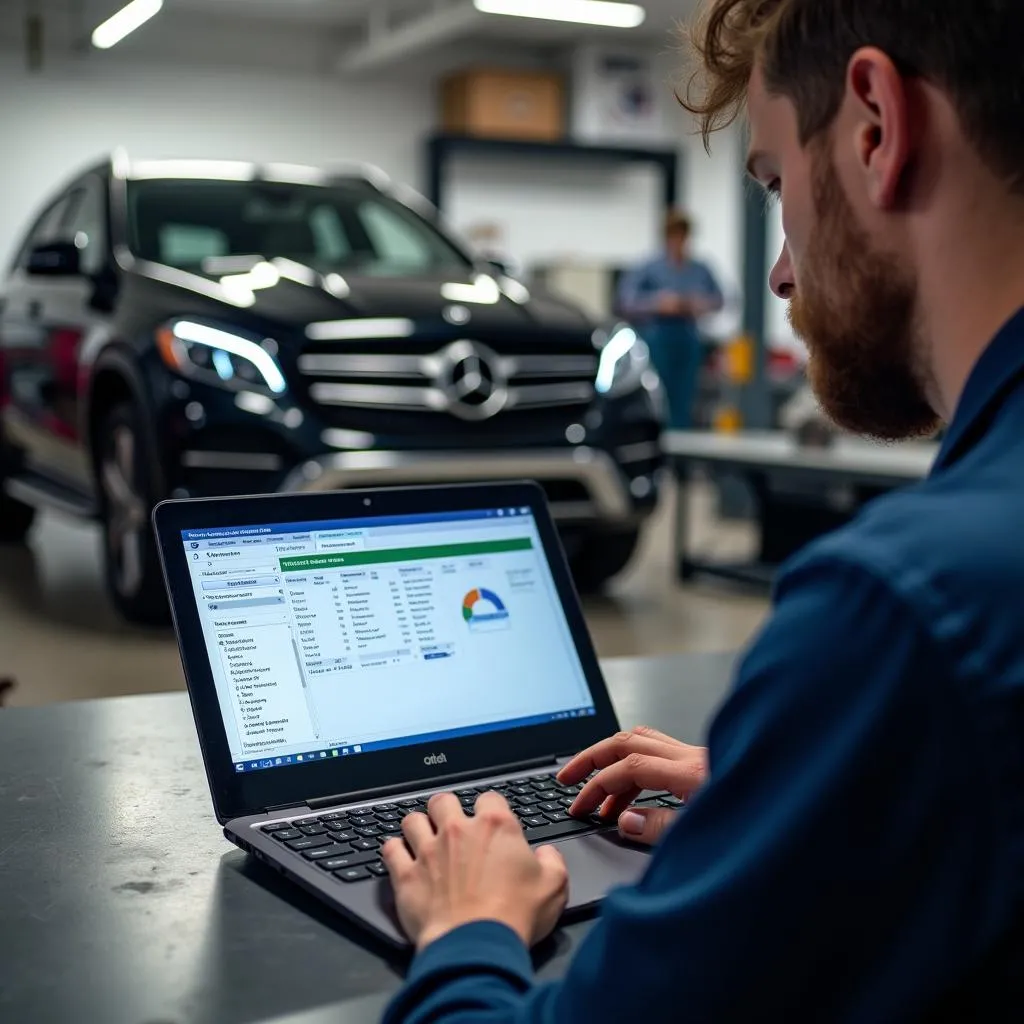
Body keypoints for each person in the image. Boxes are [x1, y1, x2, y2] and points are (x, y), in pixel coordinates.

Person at [380, 0, 1024, 1019]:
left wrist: (467, 929)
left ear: (874, 128)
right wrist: (816, 795)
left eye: (774, 183)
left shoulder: (903, 609)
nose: (778, 269)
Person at [617, 210, 724, 429]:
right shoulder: (648, 268)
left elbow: (720, 300)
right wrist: (658, 303)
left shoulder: (700, 269)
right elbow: (625, 301)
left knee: (685, 394)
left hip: (688, 337)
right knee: (658, 392)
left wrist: (698, 303)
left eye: (682, 236)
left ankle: (682, 443)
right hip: (658, 337)